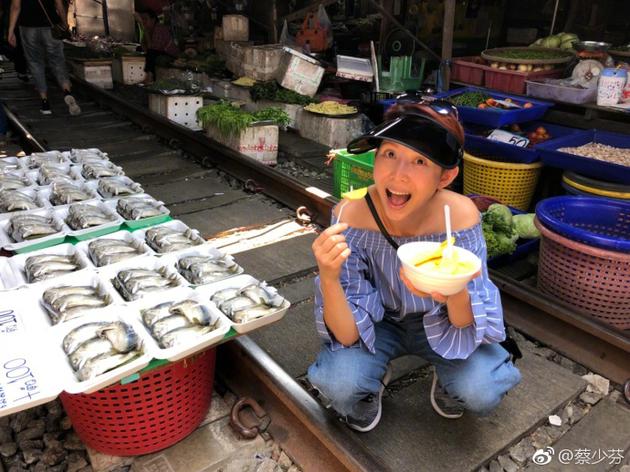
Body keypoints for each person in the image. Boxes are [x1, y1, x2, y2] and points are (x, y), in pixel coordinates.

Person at [308, 101, 521, 432]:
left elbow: (466, 320)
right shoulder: (350, 215)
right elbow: (348, 334)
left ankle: (449, 377)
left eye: (420, 161)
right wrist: (329, 277)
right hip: (378, 325)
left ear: (446, 175)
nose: (397, 174)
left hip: (445, 323)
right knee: (339, 387)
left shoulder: (460, 218)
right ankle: (371, 381)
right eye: (390, 153)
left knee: (480, 391)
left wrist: (455, 290)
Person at [7, 0, 80, 115]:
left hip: (28, 27)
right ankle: (67, 91)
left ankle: (45, 102)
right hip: (51, 26)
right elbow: (58, 3)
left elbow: (16, 7)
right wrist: (64, 22)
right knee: (57, 61)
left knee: (35, 62)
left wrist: (10, 31)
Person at [135, 10, 178, 85]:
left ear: (153, 20)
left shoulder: (159, 28)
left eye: (145, 19)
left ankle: (149, 77)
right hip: (158, 52)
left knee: (151, 53)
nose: (143, 21)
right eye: (142, 19)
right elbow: (144, 45)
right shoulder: (149, 29)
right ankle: (147, 75)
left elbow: (152, 47)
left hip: (170, 54)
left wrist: (145, 30)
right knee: (140, 49)